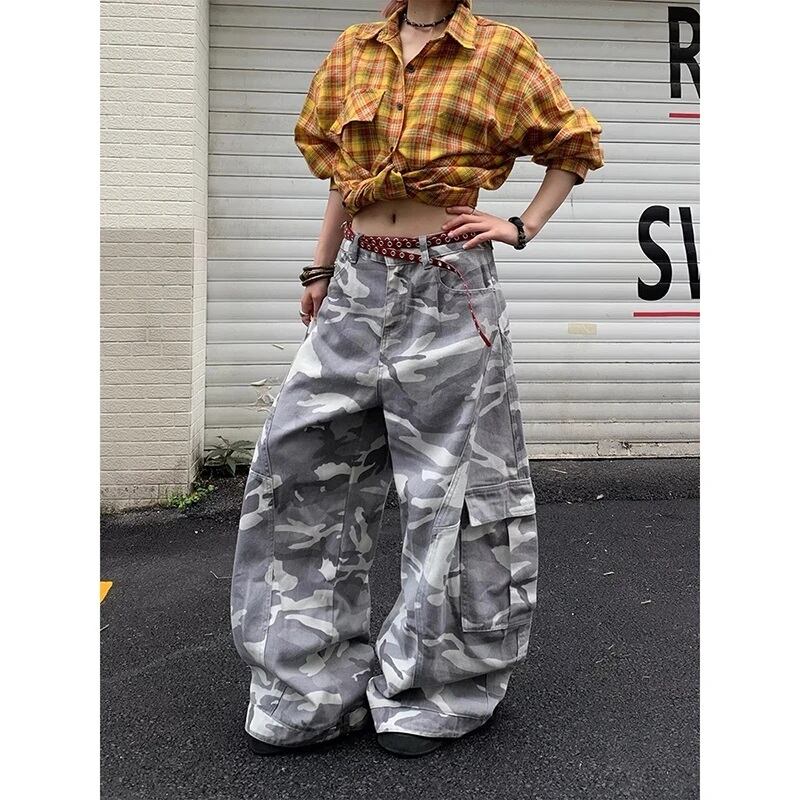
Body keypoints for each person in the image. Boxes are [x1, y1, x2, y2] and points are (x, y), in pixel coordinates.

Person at [230, 0, 604, 758]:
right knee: (299, 472)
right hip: (357, 282)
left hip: (448, 287)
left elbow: (573, 143)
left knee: (454, 494)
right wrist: (320, 268)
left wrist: (521, 226)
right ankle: (306, 689)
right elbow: (343, 175)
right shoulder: (355, 48)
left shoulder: (499, 51)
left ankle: (436, 690)